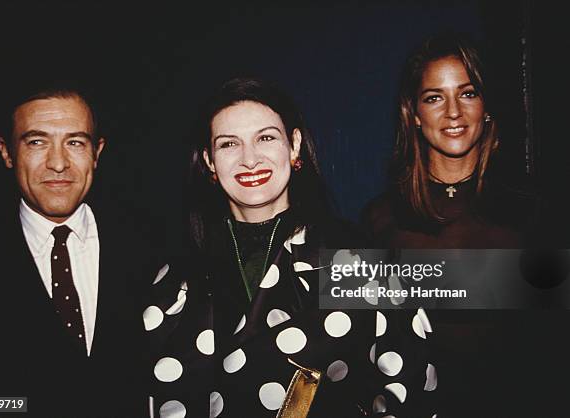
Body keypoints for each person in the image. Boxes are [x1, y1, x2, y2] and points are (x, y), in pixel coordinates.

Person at [145, 77, 437, 417]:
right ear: (210, 161)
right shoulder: (174, 281)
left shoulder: (350, 259)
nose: (249, 159)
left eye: (266, 137)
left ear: (294, 145)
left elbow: (410, 386)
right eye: (228, 144)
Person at [0, 87, 153, 417]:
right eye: (37, 142)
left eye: (75, 142)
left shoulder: (152, 247)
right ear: (6, 153)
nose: (58, 163)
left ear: (97, 152)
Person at [361, 33, 536, 248]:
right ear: (415, 114)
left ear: (486, 107)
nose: (453, 112)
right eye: (434, 98)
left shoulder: (533, 208)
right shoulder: (380, 218)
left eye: (468, 94)